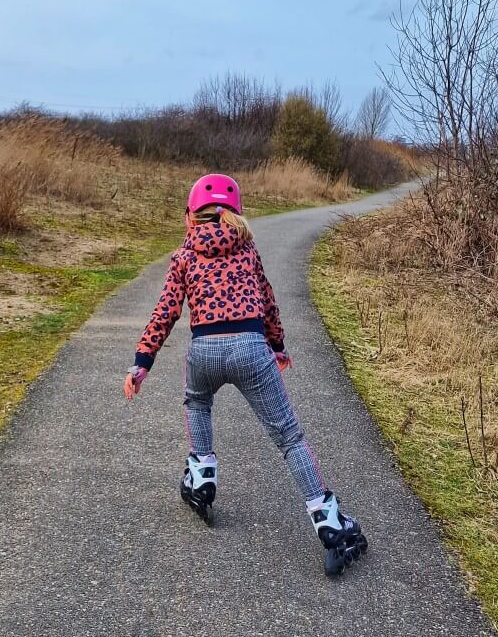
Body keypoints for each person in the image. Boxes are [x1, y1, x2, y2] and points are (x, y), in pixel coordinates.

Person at [123, 174, 367, 576]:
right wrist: (278, 347)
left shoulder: (184, 253)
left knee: (197, 400)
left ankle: (201, 475)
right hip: (252, 349)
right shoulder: (247, 248)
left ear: (190, 217)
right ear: (237, 214)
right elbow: (268, 302)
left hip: (205, 350)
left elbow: (165, 311)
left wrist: (141, 363)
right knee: (289, 437)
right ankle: (330, 524)